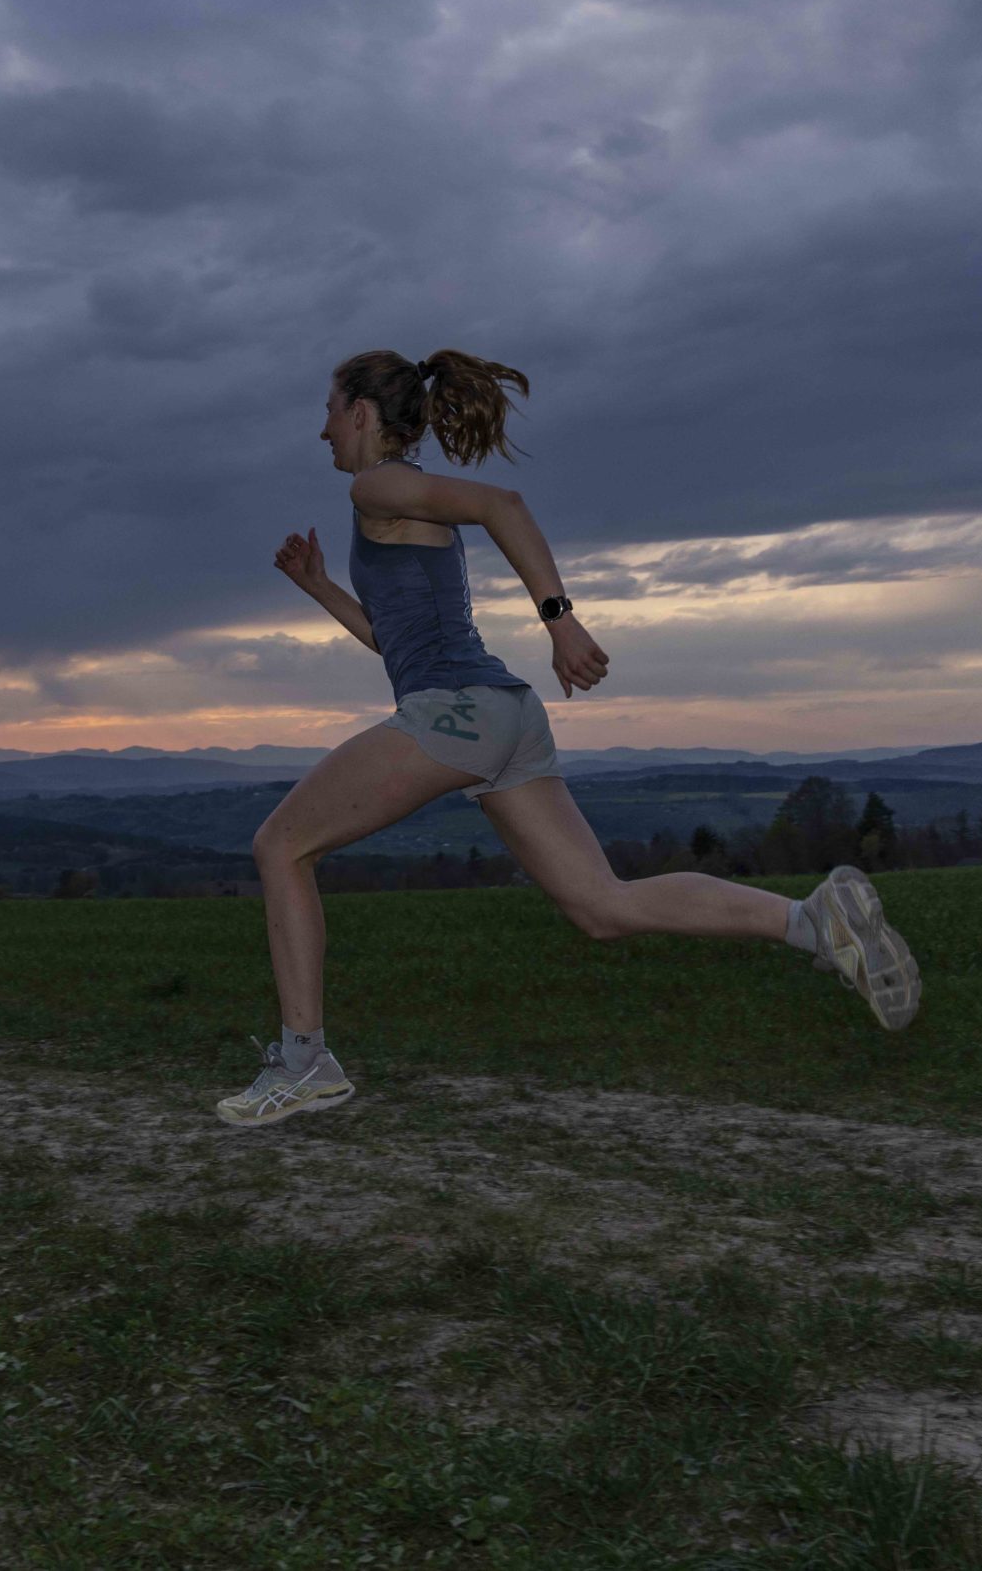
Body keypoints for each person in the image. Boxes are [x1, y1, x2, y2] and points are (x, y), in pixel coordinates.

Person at [216, 349, 922, 1128]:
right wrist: (319, 588)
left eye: (328, 410)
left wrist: (563, 619)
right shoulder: (396, 506)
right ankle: (810, 920)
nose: (321, 429)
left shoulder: (375, 483)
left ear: (360, 413)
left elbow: (505, 504)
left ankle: (303, 1058)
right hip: (503, 715)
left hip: (458, 713)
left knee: (281, 845)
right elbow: (400, 644)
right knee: (603, 906)